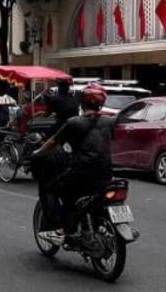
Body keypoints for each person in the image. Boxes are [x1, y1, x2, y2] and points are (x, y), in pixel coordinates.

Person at [33, 83, 114, 243]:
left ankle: (60, 229)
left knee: (50, 188)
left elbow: (52, 143)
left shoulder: (74, 123)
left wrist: (37, 152)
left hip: (81, 173)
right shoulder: (109, 122)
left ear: (82, 103)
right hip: (106, 173)